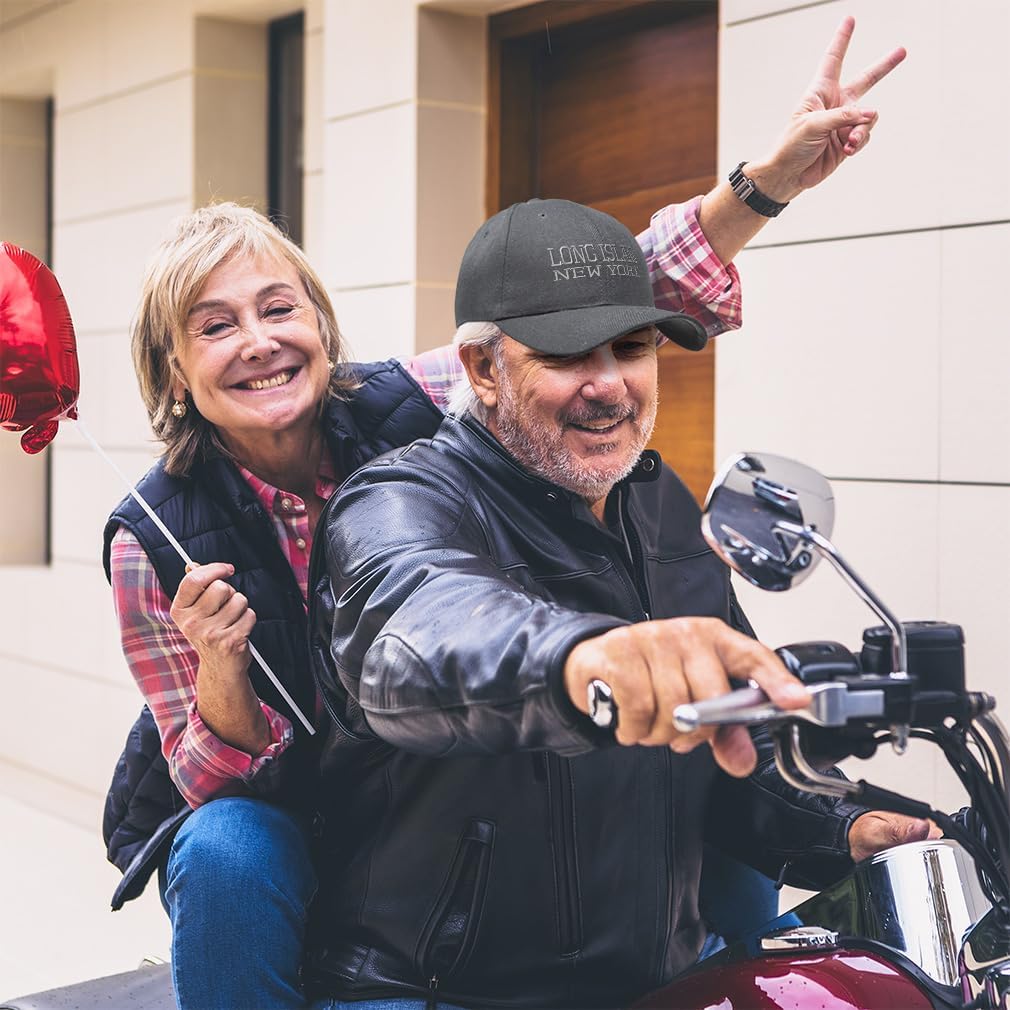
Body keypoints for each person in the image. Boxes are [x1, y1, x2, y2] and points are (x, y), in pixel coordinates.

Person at [101, 15, 906, 1009]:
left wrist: (763, 184)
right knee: (228, 850)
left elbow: (587, 303)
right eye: (214, 326)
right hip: (286, 790)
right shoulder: (159, 533)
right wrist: (580, 659)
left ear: (318, 318)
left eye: (278, 308)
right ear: (173, 368)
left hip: (449, 768)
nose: (258, 341)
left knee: (706, 794)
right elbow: (413, 629)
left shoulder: (431, 401)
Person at [306, 195, 936, 1009]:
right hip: (438, 989)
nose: (609, 386)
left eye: (632, 346)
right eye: (566, 354)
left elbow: (727, 752)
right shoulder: (402, 499)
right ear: (481, 371)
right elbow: (414, 632)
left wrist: (839, 830)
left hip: (656, 981)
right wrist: (581, 660)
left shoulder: (661, 502)